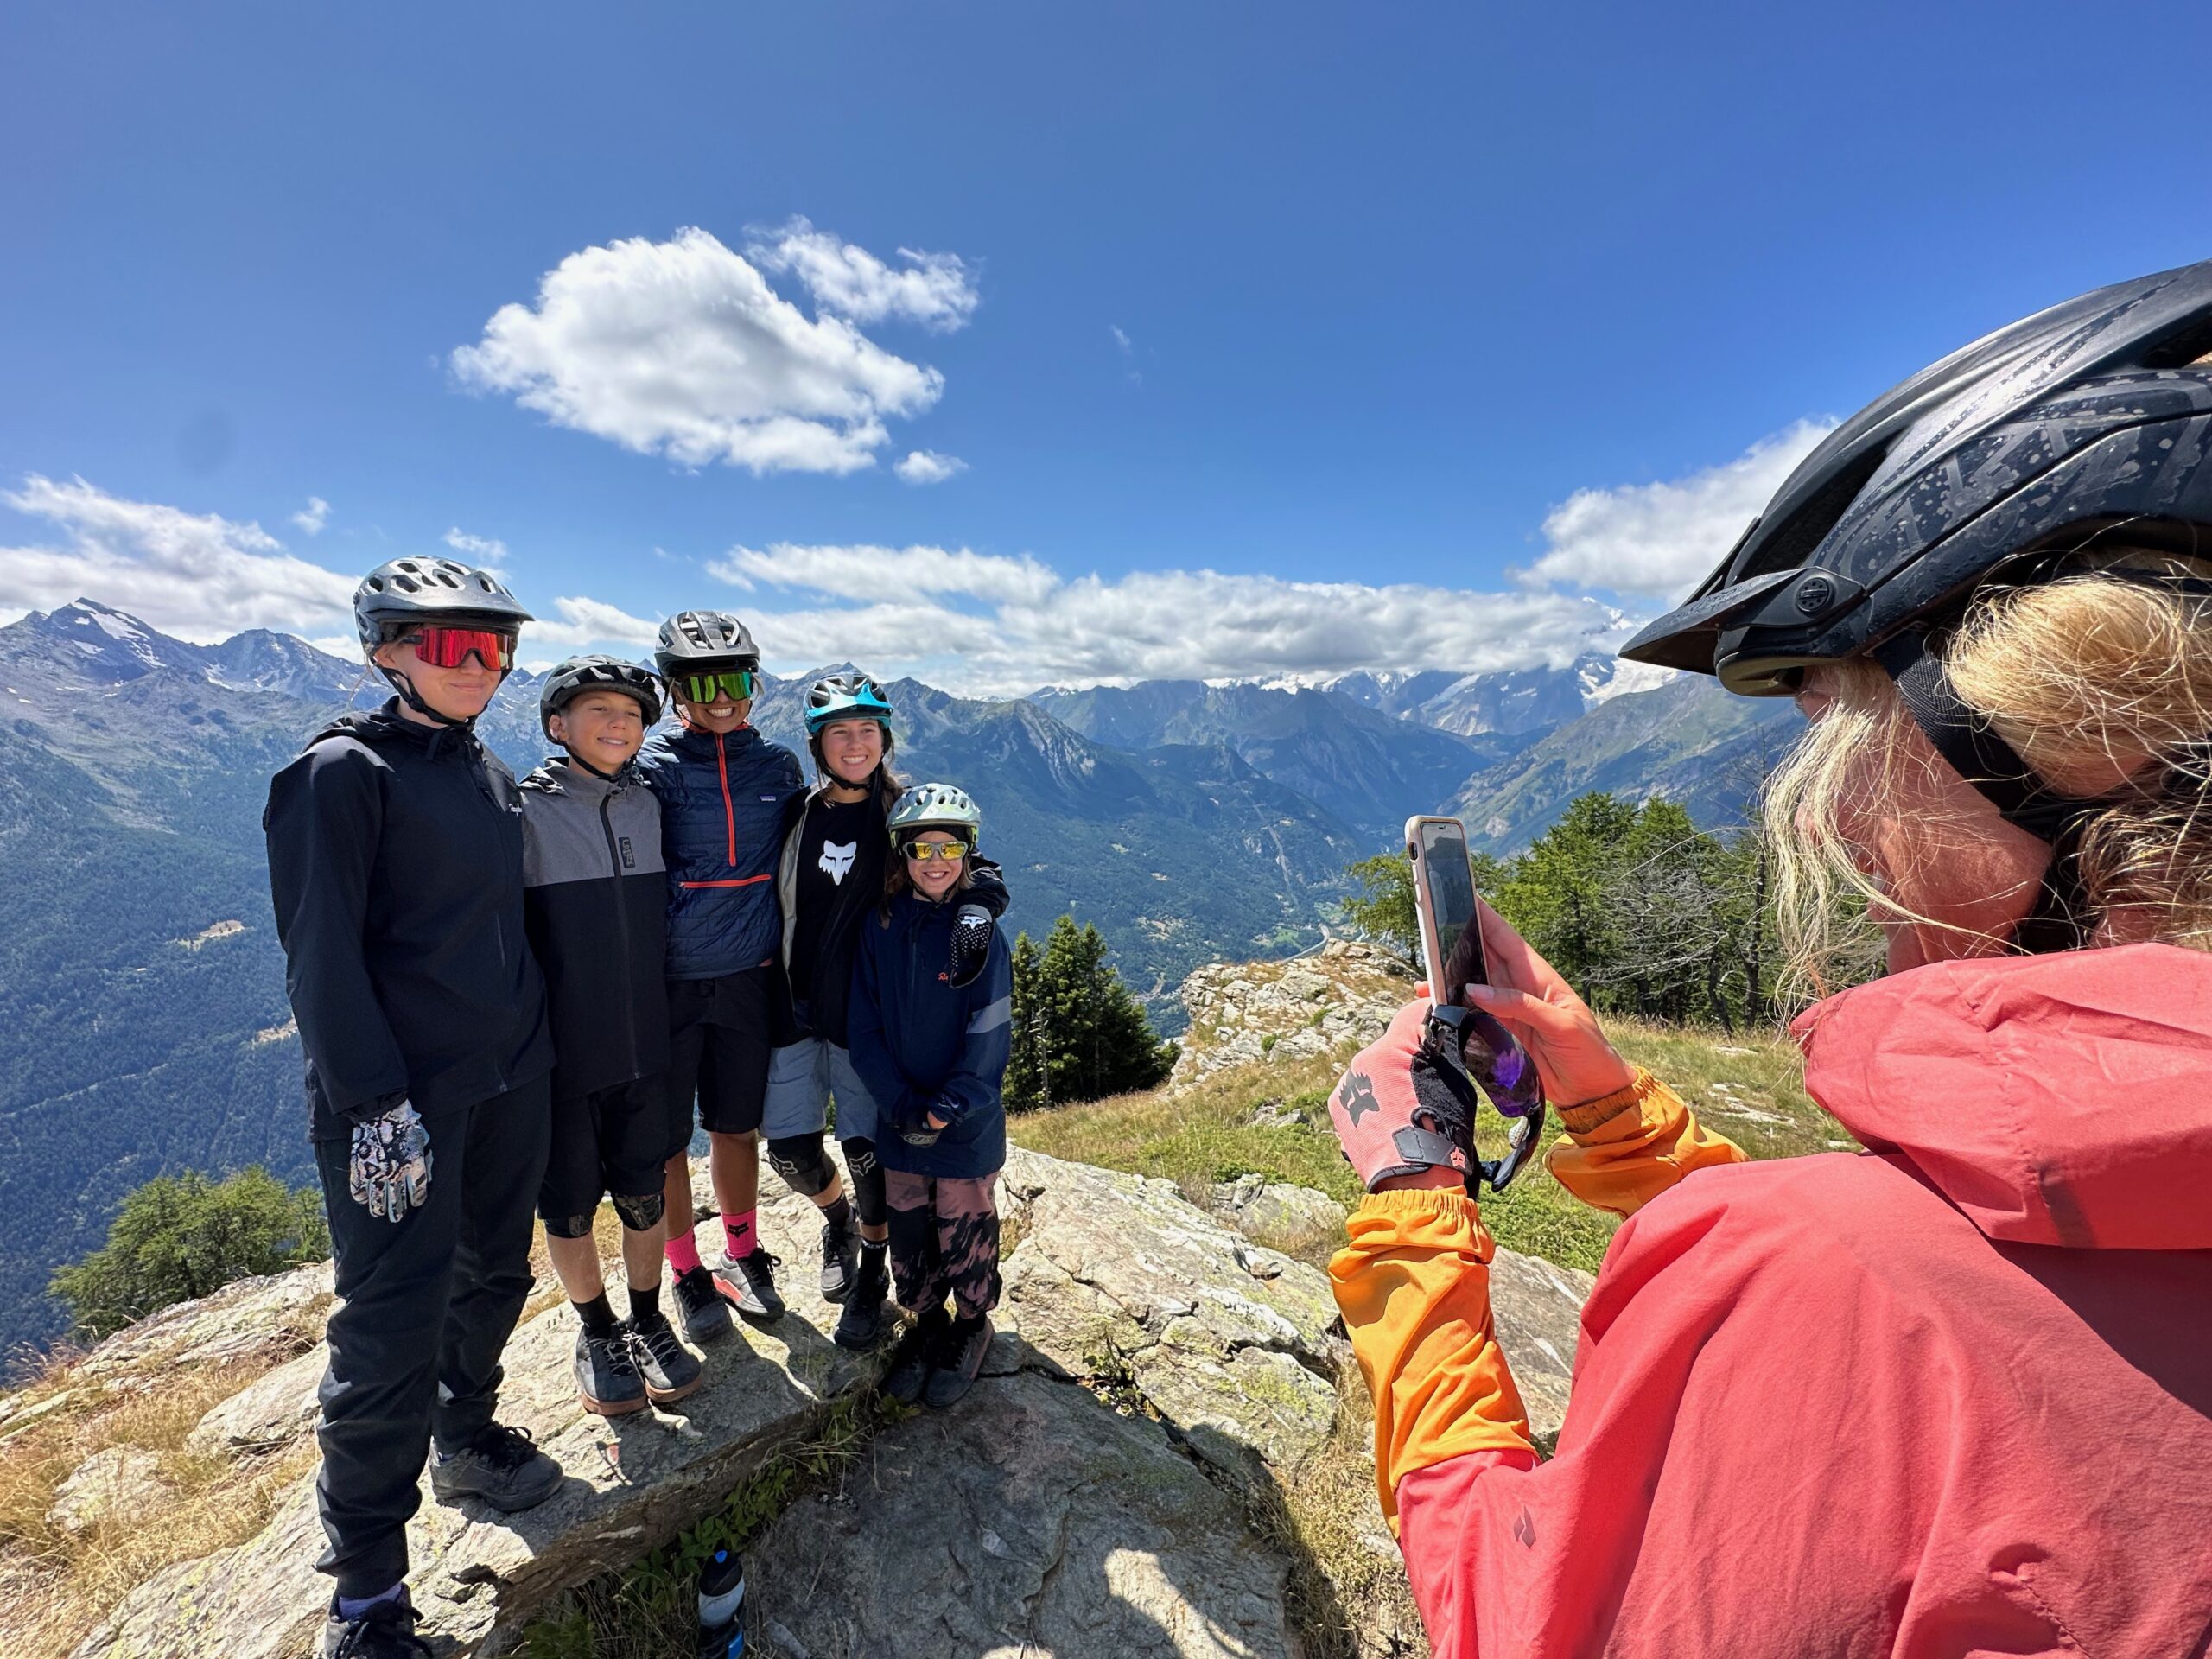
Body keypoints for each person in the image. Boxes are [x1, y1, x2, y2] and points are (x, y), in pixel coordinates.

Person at [1324, 260, 2212, 1656]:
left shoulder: (1822, 1289)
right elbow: (2004, 1288)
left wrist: (1417, 1202)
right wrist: (1614, 1115)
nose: (1826, 803)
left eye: (1834, 713)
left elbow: (1518, 1616)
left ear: (2057, 756)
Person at [264, 556, 563, 1659]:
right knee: (387, 1329)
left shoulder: (481, 768)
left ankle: (467, 1432)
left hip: (507, 1080)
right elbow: (319, 957)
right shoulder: (340, 775)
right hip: (401, 1106)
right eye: (449, 644)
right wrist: (376, 1105)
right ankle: (367, 1598)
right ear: (386, 649)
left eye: (495, 646)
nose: (480, 663)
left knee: (495, 1270)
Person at [765, 674, 1014, 1350]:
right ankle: (839, 1222)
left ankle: (877, 1277)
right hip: (797, 1006)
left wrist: (976, 911)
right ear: (817, 745)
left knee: (869, 1150)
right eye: (840, 733)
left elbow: (971, 864)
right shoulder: (797, 811)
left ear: (885, 739)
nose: (855, 744)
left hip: (864, 1013)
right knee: (789, 1147)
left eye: (867, 731)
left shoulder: (904, 810)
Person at [519, 656, 703, 1416]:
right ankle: (596, 1331)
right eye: (598, 712)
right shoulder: (521, 809)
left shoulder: (648, 803)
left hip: (642, 1045)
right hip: (558, 1053)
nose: (618, 724)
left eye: (630, 714)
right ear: (558, 726)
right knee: (565, 1206)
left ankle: (649, 1317)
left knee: (642, 1194)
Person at [634, 611, 807, 1337]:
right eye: (699, 681)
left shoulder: (779, 767)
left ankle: (742, 1252)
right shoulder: (650, 768)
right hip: (670, 983)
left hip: (748, 977)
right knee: (671, 1140)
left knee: (737, 1129)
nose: (720, 695)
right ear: (674, 688)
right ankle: (686, 1268)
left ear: (754, 682)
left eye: (734, 679)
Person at [846, 783, 1014, 1408]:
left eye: (951, 846)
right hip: (902, 1117)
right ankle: (926, 1320)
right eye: (921, 847)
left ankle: (972, 1323)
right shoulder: (881, 927)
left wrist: (949, 1105)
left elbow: (990, 1032)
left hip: (963, 1125)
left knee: (963, 1223)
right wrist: (897, 1102)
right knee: (911, 1229)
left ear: (970, 852)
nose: (936, 859)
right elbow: (864, 1025)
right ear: (902, 853)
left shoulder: (980, 936)